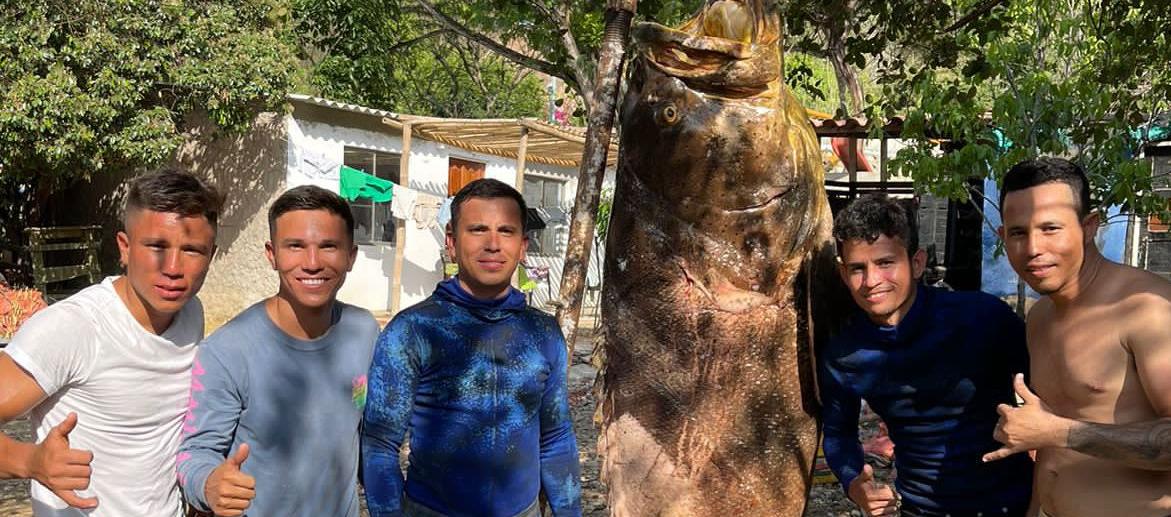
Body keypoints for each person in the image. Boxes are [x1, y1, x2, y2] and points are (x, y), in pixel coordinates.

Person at [0, 170, 220, 516]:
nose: (174, 268)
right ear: (125, 248)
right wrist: (28, 461)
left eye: (192, 250)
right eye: (157, 246)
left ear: (211, 256)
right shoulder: (74, 328)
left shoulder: (191, 313)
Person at [362, 178, 581, 517]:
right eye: (478, 230)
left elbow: (556, 438)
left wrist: (570, 511)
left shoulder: (543, 333)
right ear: (451, 242)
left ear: (523, 246)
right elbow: (380, 444)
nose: (493, 244)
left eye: (506, 231)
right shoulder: (413, 330)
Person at [820, 193, 1034, 517]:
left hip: (1014, 504)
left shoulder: (982, 318)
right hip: (920, 508)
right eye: (857, 268)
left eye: (885, 263)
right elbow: (838, 432)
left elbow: (1049, 391)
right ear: (842, 274)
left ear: (917, 263)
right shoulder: (844, 353)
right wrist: (854, 484)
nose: (872, 281)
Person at [984, 157, 1171, 516]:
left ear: (1089, 227)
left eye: (1050, 228)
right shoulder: (1040, 317)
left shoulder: (1147, 310)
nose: (1033, 248)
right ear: (1003, 237)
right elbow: (1047, 438)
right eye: (1018, 233)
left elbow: (1055, 432)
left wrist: (1063, 433)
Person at [176, 185, 378, 517]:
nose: (312, 263)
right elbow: (195, 451)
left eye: (328, 246)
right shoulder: (227, 350)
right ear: (272, 255)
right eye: (295, 246)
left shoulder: (364, 331)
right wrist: (209, 484)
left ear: (351, 256)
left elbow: (362, 432)